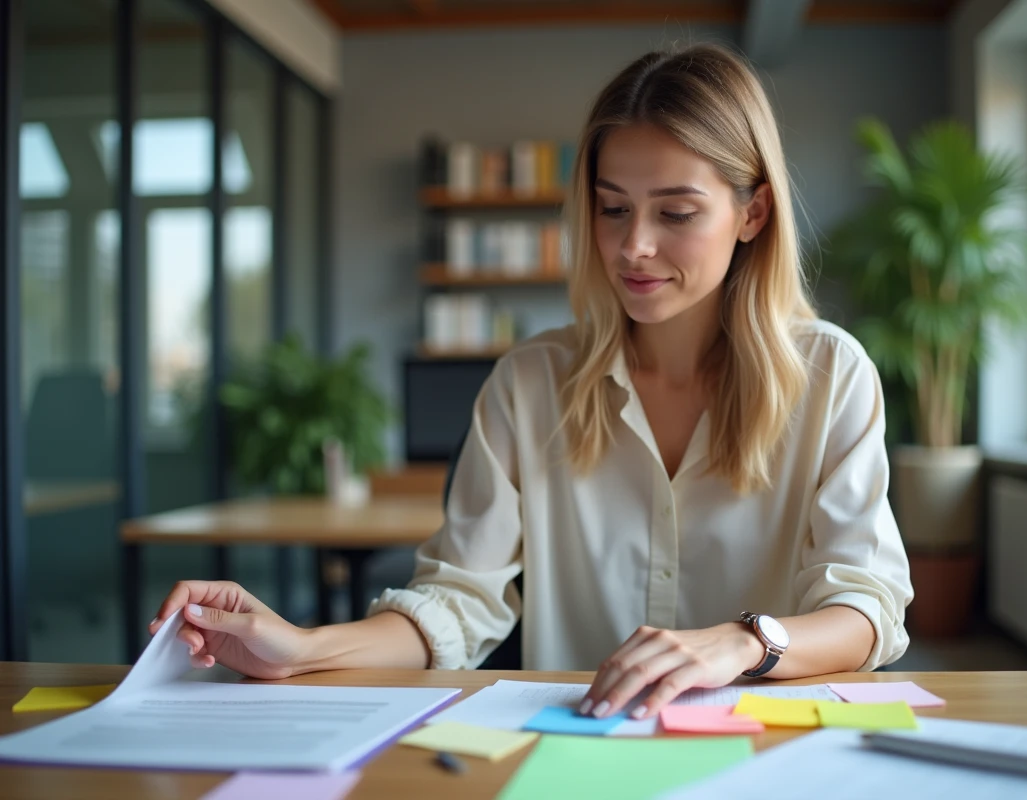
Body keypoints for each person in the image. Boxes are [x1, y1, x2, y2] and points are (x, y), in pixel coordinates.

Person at [150, 42, 912, 723]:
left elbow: (868, 610)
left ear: (753, 212)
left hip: (763, 754)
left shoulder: (830, 373)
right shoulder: (529, 383)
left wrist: (737, 644)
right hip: (582, 749)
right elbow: (457, 601)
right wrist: (302, 647)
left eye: (676, 212)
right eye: (612, 208)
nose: (634, 247)